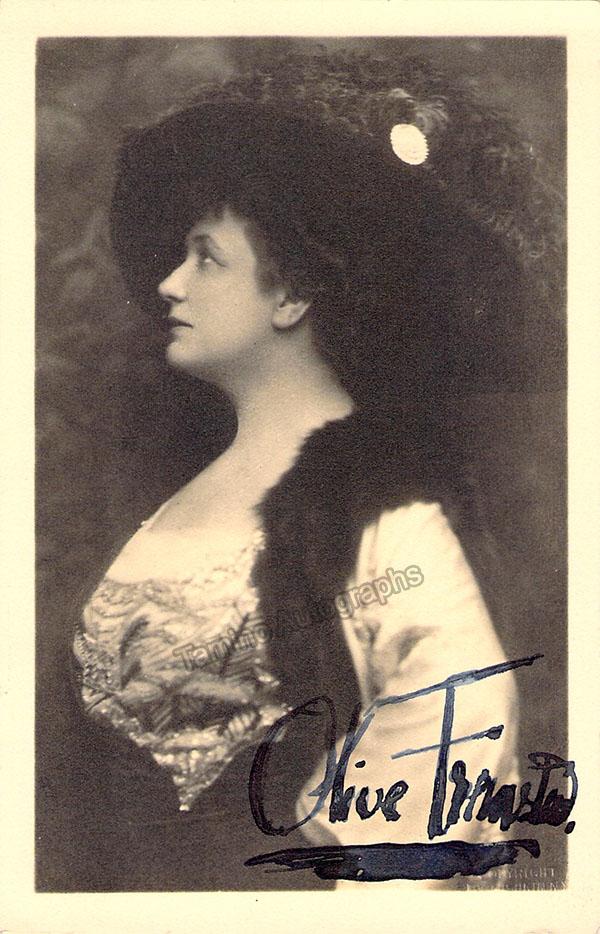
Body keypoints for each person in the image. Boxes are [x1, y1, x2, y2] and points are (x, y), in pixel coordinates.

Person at [56, 49, 562, 891]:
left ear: (290, 294)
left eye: (205, 257)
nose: (169, 284)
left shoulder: (384, 511)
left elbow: (455, 732)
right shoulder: (166, 500)